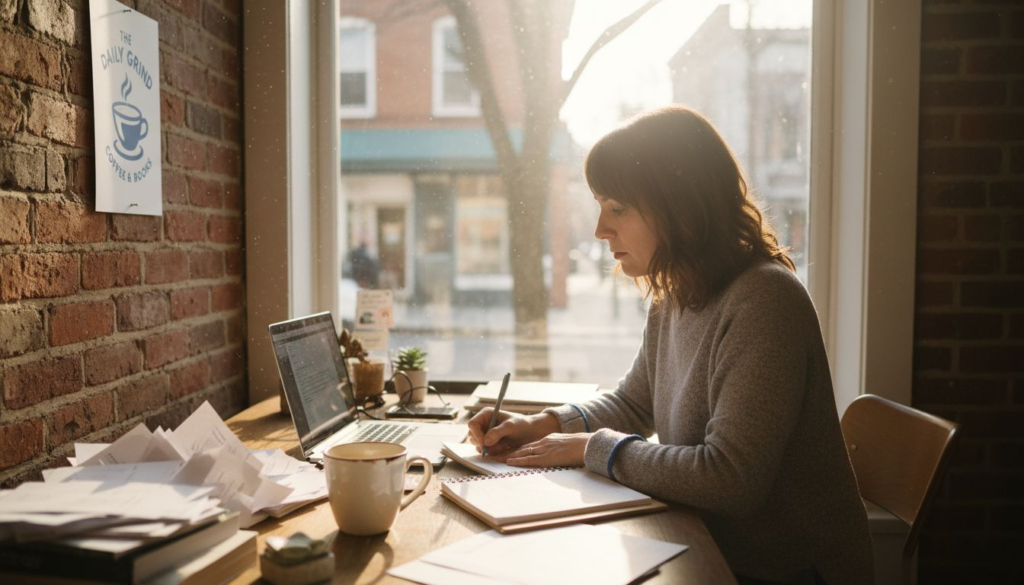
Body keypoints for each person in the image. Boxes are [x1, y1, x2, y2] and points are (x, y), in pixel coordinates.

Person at [468, 106, 873, 585]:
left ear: (681, 208)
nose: (600, 229)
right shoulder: (676, 292)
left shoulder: (766, 300)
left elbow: (729, 478)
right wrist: (544, 424)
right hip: (713, 549)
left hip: (788, 571)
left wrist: (591, 447)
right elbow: (635, 401)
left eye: (617, 208)